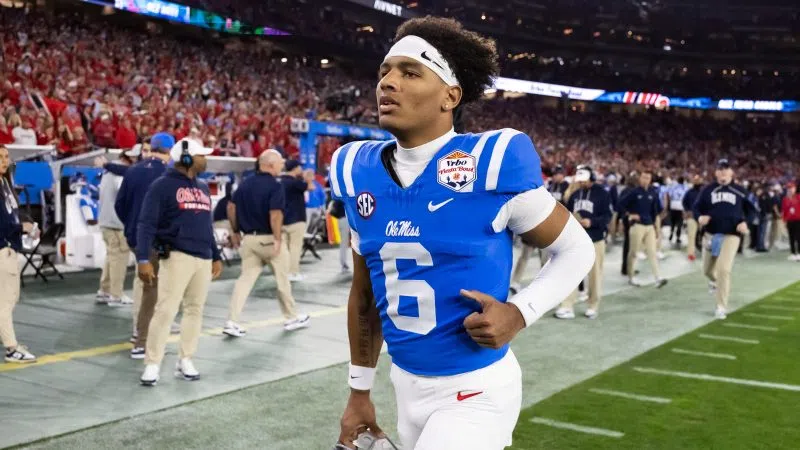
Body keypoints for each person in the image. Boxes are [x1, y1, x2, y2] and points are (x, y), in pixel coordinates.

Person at [333, 17, 594, 450]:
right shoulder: (354, 169)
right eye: (385, 71)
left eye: (410, 72)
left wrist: (519, 312)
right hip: (405, 384)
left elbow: (576, 249)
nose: (388, 83)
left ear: (450, 96)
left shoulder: (492, 161)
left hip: (477, 390)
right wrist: (359, 391)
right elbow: (365, 295)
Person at [136, 138, 223, 386]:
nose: (205, 159)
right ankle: (152, 363)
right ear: (186, 158)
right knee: (166, 310)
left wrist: (215, 255)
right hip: (176, 255)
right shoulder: (161, 186)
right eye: (200, 155)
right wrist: (143, 258)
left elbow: (206, 225)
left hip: (203, 257)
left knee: (195, 310)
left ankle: (186, 358)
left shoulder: (203, 187)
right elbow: (146, 224)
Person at [223, 150, 310, 338]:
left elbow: (230, 207)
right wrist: (277, 238)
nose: (282, 166)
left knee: (245, 280)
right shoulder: (275, 186)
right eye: (280, 163)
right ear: (270, 165)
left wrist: (235, 230)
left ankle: (232, 321)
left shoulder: (244, 184)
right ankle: (291, 317)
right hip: (269, 239)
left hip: (249, 240)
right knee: (282, 279)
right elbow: (275, 215)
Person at [115, 132, 175, 357]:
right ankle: (144, 340)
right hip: (157, 239)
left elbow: (120, 205)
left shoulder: (133, 170)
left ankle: (141, 335)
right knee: (154, 291)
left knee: (147, 286)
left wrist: (132, 227)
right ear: (170, 150)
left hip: (135, 237)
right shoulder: (168, 173)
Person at [693, 159, 755, 319]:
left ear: (731, 172)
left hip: (731, 235)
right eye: (720, 170)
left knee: (724, 269)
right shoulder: (707, 190)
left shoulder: (740, 191)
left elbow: (752, 210)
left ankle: (721, 306)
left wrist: (745, 222)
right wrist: (700, 217)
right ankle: (714, 281)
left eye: (726, 169)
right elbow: (696, 208)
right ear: (716, 173)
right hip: (711, 234)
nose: (723, 173)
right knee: (707, 270)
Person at [554, 165, 612, 319]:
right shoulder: (575, 195)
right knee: (571, 273)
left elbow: (607, 216)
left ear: (591, 177)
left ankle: (593, 305)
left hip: (596, 239)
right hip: (577, 241)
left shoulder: (602, 194)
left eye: (584, 180)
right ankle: (567, 305)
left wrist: (592, 222)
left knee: (595, 275)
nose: (581, 183)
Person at [0, 145, 37, 363]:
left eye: (6, 156)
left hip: (9, 248)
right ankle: (12, 348)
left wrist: (27, 223)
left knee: (8, 299)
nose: (4, 161)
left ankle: (7, 338)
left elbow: (13, 212)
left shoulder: (5, 183)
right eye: (0, 157)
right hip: (3, 249)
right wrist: (21, 228)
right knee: (6, 301)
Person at [95, 149, 137, 306]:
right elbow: (124, 197)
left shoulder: (109, 171)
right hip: (117, 223)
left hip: (107, 221)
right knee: (119, 258)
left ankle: (105, 291)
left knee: (111, 257)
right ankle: (116, 295)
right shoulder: (121, 174)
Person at [618, 171, 668, 288]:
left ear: (650, 180)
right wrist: (629, 214)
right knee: (633, 252)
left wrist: (656, 228)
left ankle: (657, 278)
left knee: (652, 252)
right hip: (637, 226)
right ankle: (631, 277)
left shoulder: (653, 192)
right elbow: (620, 204)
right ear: (640, 178)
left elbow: (656, 210)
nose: (645, 180)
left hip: (649, 226)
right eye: (644, 177)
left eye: (648, 178)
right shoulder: (634, 192)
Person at [279, 160, 315, 281]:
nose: (301, 169)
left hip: (282, 220)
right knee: (295, 248)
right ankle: (293, 273)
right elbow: (311, 187)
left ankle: (285, 273)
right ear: (295, 168)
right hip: (296, 220)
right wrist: (308, 179)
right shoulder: (295, 182)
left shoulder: (280, 181)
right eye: (299, 167)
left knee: (285, 249)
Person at [682, 174, 704, 261]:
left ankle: (706, 252)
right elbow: (684, 202)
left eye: (699, 180)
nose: (697, 182)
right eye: (695, 180)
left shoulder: (704, 192)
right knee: (691, 236)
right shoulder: (689, 192)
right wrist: (687, 211)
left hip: (702, 217)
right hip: (692, 217)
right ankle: (691, 254)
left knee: (705, 235)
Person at [667, 176, 688, 247]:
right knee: (680, 223)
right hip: (680, 206)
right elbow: (686, 197)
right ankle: (678, 237)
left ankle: (671, 233)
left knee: (672, 222)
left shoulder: (673, 187)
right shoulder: (685, 187)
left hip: (673, 205)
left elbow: (669, 195)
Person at [782, 181, 800, 261]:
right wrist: (784, 221)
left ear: (795, 189)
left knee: (798, 237)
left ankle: (799, 253)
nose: (790, 190)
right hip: (789, 221)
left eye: (792, 188)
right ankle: (792, 253)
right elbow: (784, 211)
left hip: (798, 220)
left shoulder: (799, 197)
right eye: (789, 188)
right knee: (791, 237)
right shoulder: (785, 199)